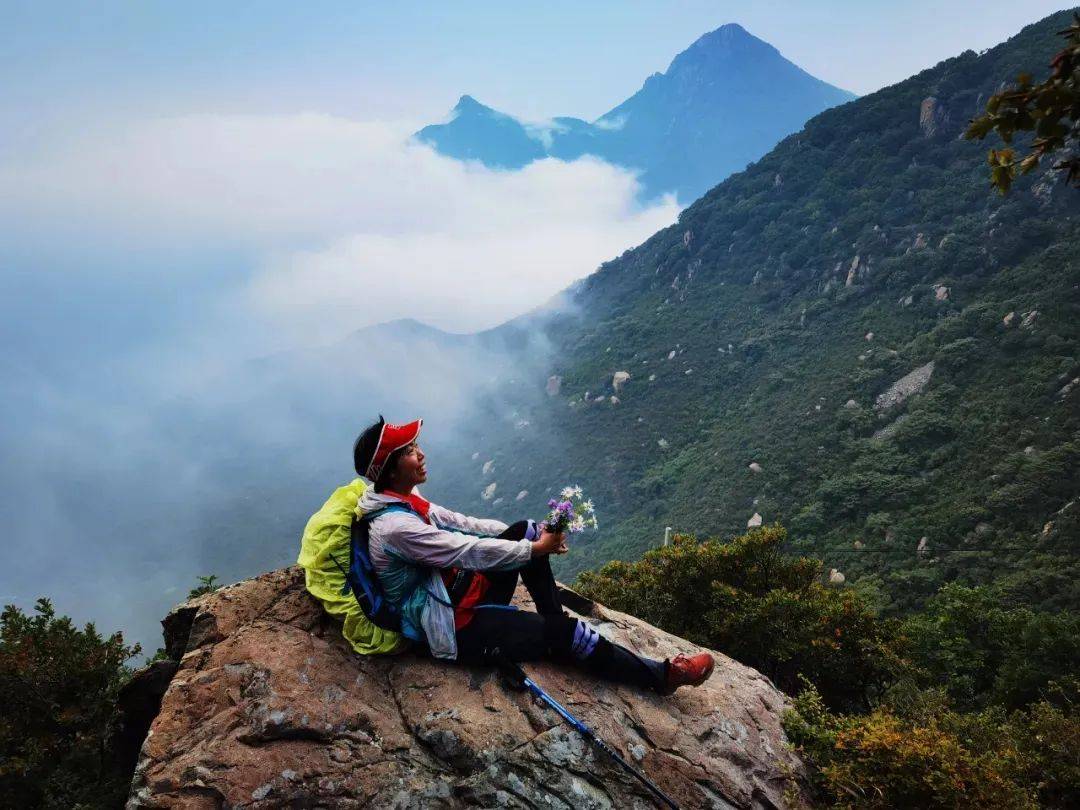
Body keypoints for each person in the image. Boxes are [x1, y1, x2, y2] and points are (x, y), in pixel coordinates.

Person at [352, 416, 715, 693]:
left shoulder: (403, 501)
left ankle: (552, 628)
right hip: (450, 624)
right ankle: (663, 675)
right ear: (390, 468)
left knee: (526, 527)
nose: (421, 454)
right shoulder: (395, 528)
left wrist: (535, 538)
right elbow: (465, 550)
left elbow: (463, 523)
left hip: (457, 594)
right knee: (572, 633)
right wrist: (534, 551)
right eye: (410, 451)